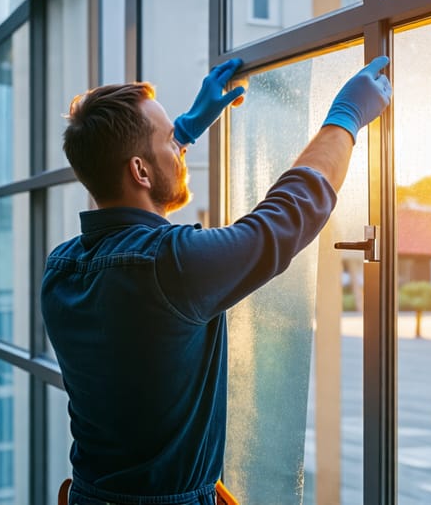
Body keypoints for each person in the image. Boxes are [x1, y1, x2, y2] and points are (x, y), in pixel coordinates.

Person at [41, 55, 392, 505]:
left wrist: (178, 136)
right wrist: (345, 116)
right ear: (140, 171)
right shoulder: (170, 266)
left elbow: (124, 213)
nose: (181, 143)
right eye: (171, 139)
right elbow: (286, 216)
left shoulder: (61, 268)